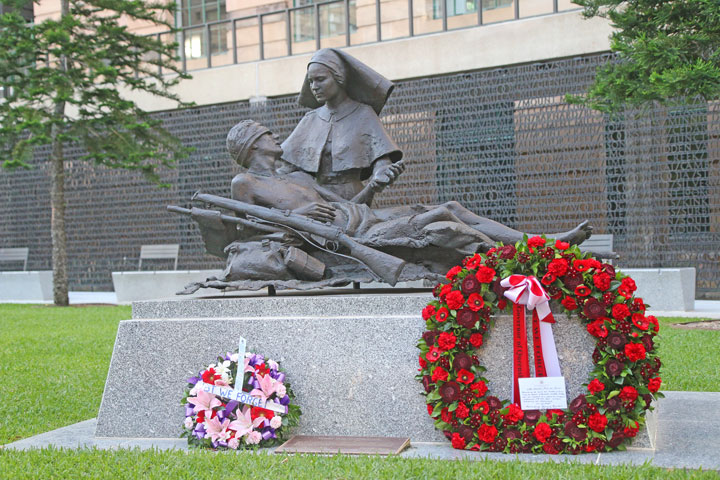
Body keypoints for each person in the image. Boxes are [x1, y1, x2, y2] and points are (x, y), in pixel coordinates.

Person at [228, 121, 592, 253]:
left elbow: (349, 202)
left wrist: (373, 184)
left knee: (451, 205)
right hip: (344, 234)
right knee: (442, 216)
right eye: (267, 133)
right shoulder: (245, 182)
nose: (276, 136)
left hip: (362, 217)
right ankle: (535, 248)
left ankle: (540, 242)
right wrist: (297, 216)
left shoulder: (297, 178)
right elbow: (246, 231)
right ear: (252, 145)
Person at [280, 48, 405, 205]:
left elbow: (381, 159)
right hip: (318, 201)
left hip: (356, 200)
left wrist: (382, 173)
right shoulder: (309, 120)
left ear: (339, 77)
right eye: (311, 81)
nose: (314, 87)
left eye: (320, 79)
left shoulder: (363, 114)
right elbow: (287, 169)